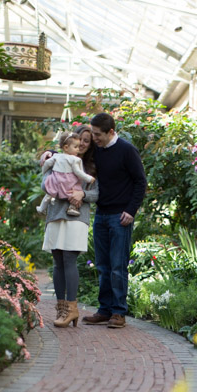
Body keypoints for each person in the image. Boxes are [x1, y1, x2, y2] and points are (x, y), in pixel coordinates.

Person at [82, 112, 147, 329]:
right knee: (102, 266)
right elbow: (72, 149)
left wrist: (131, 210)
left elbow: (140, 182)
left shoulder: (127, 151)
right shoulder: (97, 150)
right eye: (93, 134)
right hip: (101, 215)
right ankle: (105, 310)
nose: (94, 138)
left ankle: (119, 312)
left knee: (118, 267)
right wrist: (48, 153)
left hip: (121, 217)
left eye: (98, 134)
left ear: (111, 132)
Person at [42, 124, 98, 328]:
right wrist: (59, 189)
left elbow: (98, 193)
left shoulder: (91, 166)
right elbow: (44, 183)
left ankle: (72, 308)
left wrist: (83, 194)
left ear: (90, 144)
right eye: (79, 139)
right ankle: (61, 308)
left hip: (76, 217)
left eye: (86, 141)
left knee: (69, 260)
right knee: (57, 261)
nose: (82, 144)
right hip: (55, 214)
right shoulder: (58, 158)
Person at [37, 131, 95, 217]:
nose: (78, 149)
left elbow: (47, 164)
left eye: (86, 141)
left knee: (50, 194)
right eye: (76, 147)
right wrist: (88, 179)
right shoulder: (73, 159)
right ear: (66, 147)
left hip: (78, 220)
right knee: (75, 188)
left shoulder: (56, 157)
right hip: (56, 214)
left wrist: (44, 171)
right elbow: (78, 172)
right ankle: (72, 208)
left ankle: (41, 208)